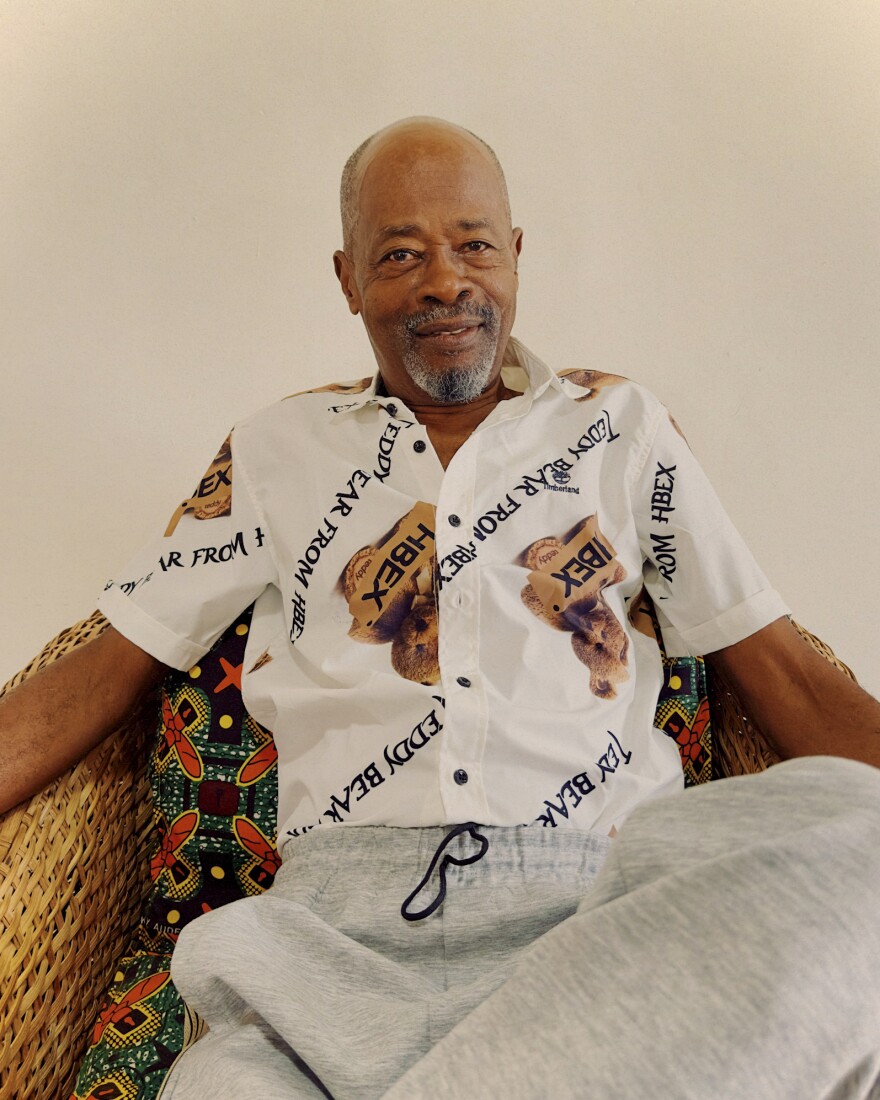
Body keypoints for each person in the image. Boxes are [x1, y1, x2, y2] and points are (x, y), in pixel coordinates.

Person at [2, 117, 879, 1099]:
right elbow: (103, 669)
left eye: (471, 244)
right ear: (347, 279)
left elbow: (787, 675)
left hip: (592, 924)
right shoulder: (274, 449)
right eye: (400, 253)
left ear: (514, 255)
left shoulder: (620, 428)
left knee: (860, 845)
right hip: (327, 954)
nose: (444, 281)